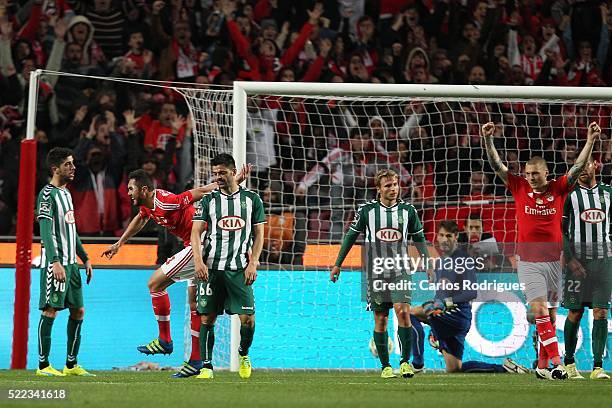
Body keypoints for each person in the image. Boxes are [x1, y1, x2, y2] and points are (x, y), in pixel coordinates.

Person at [102, 166, 250, 378]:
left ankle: (164, 340)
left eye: (131, 189)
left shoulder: (166, 202)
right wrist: (119, 243)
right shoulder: (149, 204)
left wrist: (232, 181)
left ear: (144, 190)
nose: (128, 193)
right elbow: (141, 218)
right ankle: (196, 360)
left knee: (154, 284)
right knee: (194, 303)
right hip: (194, 244)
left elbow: (198, 192)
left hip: (201, 244)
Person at [481, 120, 600, 380]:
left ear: (546, 174)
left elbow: (578, 167)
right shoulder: (519, 187)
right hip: (529, 262)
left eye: (535, 173)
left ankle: (542, 367)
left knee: (551, 314)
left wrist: (590, 140)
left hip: (554, 263)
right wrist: (489, 140)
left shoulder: (558, 189)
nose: (530, 177)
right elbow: (497, 167)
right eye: (527, 173)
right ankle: (557, 364)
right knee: (539, 310)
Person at [330, 169, 428, 379]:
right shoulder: (367, 211)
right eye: (387, 186)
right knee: (381, 318)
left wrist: (427, 263)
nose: (393, 189)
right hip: (377, 271)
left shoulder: (408, 210)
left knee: (403, 312)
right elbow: (350, 236)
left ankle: (404, 363)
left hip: (401, 268)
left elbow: (419, 238)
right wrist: (338, 264)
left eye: (395, 184)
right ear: (379, 189)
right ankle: (385, 366)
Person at [410, 220, 528, 375]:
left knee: (408, 314)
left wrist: (445, 304)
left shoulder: (462, 259)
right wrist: (434, 323)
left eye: (449, 235)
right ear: (436, 237)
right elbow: (441, 295)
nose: (444, 239)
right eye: (441, 235)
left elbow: (471, 293)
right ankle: (504, 369)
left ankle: (417, 364)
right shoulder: (440, 262)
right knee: (454, 369)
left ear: (456, 237)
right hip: (450, 316)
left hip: (456, 314)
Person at [191, 154, 265, 380]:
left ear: (233, 172)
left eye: (222, 172)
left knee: (248, 320)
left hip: (239, 269)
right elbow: (195, 232)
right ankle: (206, 366)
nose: (218, 177)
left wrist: (253, 262)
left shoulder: (252, 199)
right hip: (212, 268)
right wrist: (198, 260)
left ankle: (243, 353)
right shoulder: (209, 200)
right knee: (207, 318)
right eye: (215, 173)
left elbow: (259, 233)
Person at [35, 147, 94, 377]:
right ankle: (43, 365)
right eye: (68, 164)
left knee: (78, 311)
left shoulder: (67, 194)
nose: (73, 167)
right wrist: (56, 261)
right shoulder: (47, 195)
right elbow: (46, 231)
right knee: (51, 310)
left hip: (72, 265)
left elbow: (72, 231)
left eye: (73, 163)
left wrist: (86, 257)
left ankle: (71, 364)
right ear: (55, 168)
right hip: (55, 265)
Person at [561, 157, 611, 380]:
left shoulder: (608, 193)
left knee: (601, 311)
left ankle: (598, 367)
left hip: (603, 262)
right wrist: (570, 260)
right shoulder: (569, 195)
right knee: (575, 312)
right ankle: (569, 364)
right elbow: (560, 231)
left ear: (596, 166)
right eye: (577, 167)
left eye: (585, 165)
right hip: (577, 263)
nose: (581, 170)